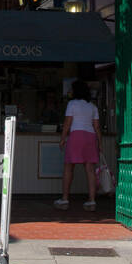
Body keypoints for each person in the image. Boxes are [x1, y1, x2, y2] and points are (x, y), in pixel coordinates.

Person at [54, 81, 101, 211]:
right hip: (90, 136)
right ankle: (92, 201)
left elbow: (67, 123)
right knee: (90, 169)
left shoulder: (72, 104)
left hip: (76, 136)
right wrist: (100, 143)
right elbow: (97, 127)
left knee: (69, 167)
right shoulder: (92, 106)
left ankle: (64, 199)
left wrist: (63, 139)